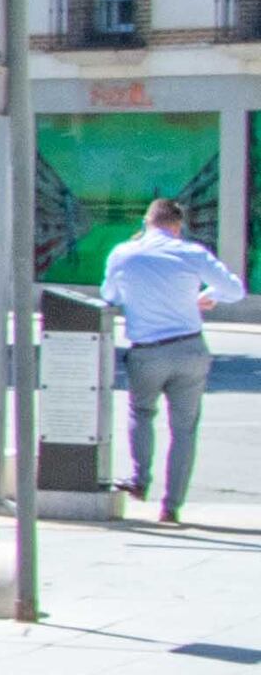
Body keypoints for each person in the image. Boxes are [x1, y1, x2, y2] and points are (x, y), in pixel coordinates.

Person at [100, 196, 246, 524]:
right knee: (184, 430)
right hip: (190, 349)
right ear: (177, 226)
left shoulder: (124, 254)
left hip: (147, 350)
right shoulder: (191, 253)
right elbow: (235, 290)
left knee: (141, 412)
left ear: (146, 222)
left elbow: (110, 296)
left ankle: (140, 479)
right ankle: (171, 505)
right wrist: (204, 297)